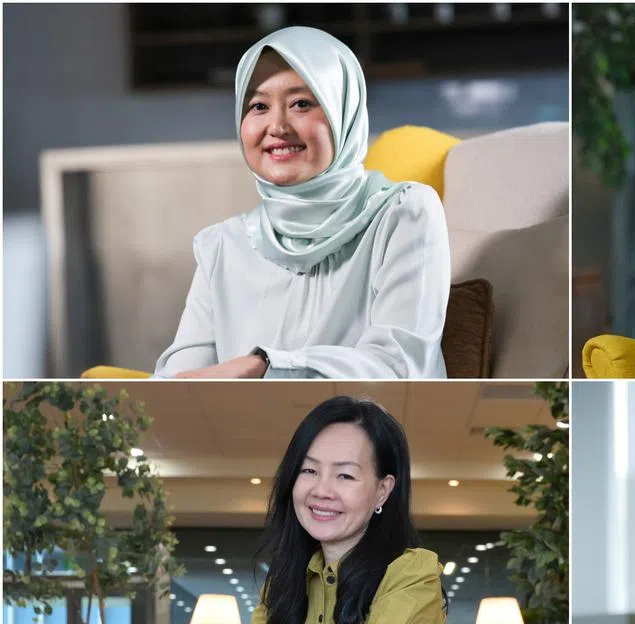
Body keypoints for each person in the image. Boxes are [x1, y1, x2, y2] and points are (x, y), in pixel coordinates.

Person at [158, 396, 466, 624]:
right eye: (309, 471)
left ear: (382, 490)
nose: (322, 490)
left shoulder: (412, 575)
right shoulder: (284, 586)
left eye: (345, 475)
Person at [154, 27, 449, 379]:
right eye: (259, 106)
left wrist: (264, 366)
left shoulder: (404, 214)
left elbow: (399, 367)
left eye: (301, 104)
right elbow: (177, 382)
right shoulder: (221, 246)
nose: (277, 126)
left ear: (344, 111)